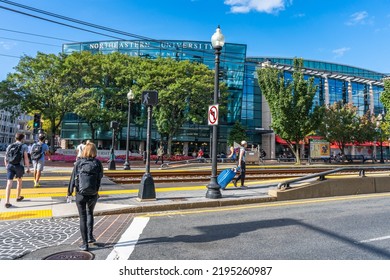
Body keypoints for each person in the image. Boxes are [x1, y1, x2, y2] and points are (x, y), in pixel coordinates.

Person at [68, 142, 103, 251]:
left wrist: (69, 192)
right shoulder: (97, 163)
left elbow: (73, 178)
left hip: (80, 194)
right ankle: (90, 237)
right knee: (90, 213)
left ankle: (84, 244)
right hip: (93, 193)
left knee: (82, 217)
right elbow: (100, 177)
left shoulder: (78, 163)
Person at [3, 133, 30, 208]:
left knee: (9, 183)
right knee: (19, 181)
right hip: (19, 166)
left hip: (10, 165)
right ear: (22, 139)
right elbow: (26, 158)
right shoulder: (24, 146)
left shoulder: (10, 146)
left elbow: (6, 156)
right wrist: (28, 168)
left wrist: (7, 165)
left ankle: (7, 201)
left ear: (15, 138)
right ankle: (18, 197)